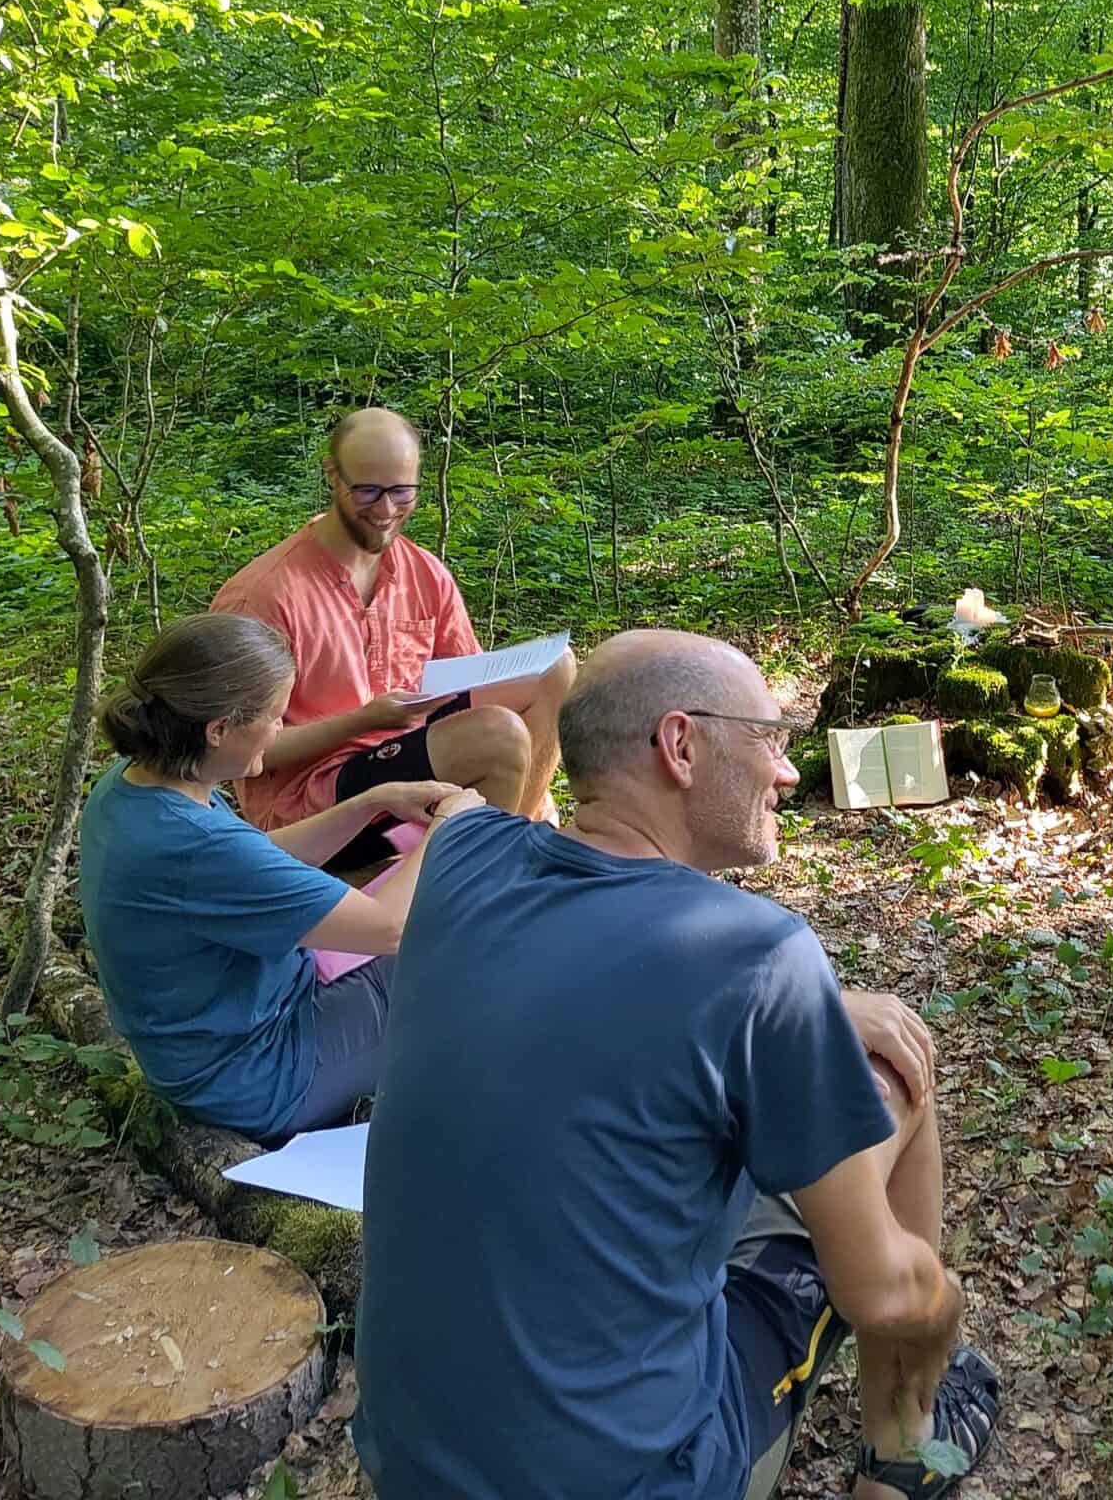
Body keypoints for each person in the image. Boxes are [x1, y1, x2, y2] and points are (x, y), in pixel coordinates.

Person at [355, 630, 1000, 1500]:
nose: (787, 773)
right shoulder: (757, 954)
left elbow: (481, 832)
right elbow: (882, 1293)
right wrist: (940, 1309)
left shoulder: (463, 863)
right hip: (650, 1475)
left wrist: (820, 1014)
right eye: (770, 738)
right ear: (681, 745)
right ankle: (907, 1442)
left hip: (410, 1462)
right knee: (896, 1085)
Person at [78, 612, 487, 1141]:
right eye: (273, 716)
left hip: (219, 1046)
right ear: (219, 728)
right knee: (470, 950)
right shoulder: (189, 841)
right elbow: (389, 928)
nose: (280, 730)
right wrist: (448, 830)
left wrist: (371, 803)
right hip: (261, 1075)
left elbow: (257, 859)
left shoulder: (140, 784)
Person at [212, 407, 575, 870]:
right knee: (497, 736)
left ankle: (516, 842)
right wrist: (363, 720)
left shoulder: (422, 572)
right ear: (332, 475)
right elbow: (236, 749)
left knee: (554, 666)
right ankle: (489, 882)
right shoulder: (264, 594)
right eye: (367, 491)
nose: (385, 511)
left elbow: (466, 678)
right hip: (314, 795)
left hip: (404, 747)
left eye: (402, 492)